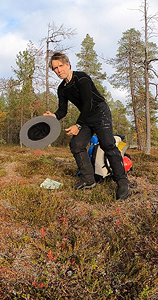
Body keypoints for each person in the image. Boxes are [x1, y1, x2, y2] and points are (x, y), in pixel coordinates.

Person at [44, 52, 129, 200]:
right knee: (76, 144)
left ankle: (122, 182)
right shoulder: (62, 89)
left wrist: (78, 125)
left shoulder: (81, 78)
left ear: (68, 64)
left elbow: (88, 103)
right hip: (86, 117)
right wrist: (55, 116)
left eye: (60, 66)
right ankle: (88, 179)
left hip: (100, 112)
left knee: (107, 144)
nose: (58, 70)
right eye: (55, 68)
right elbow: (63, 110)